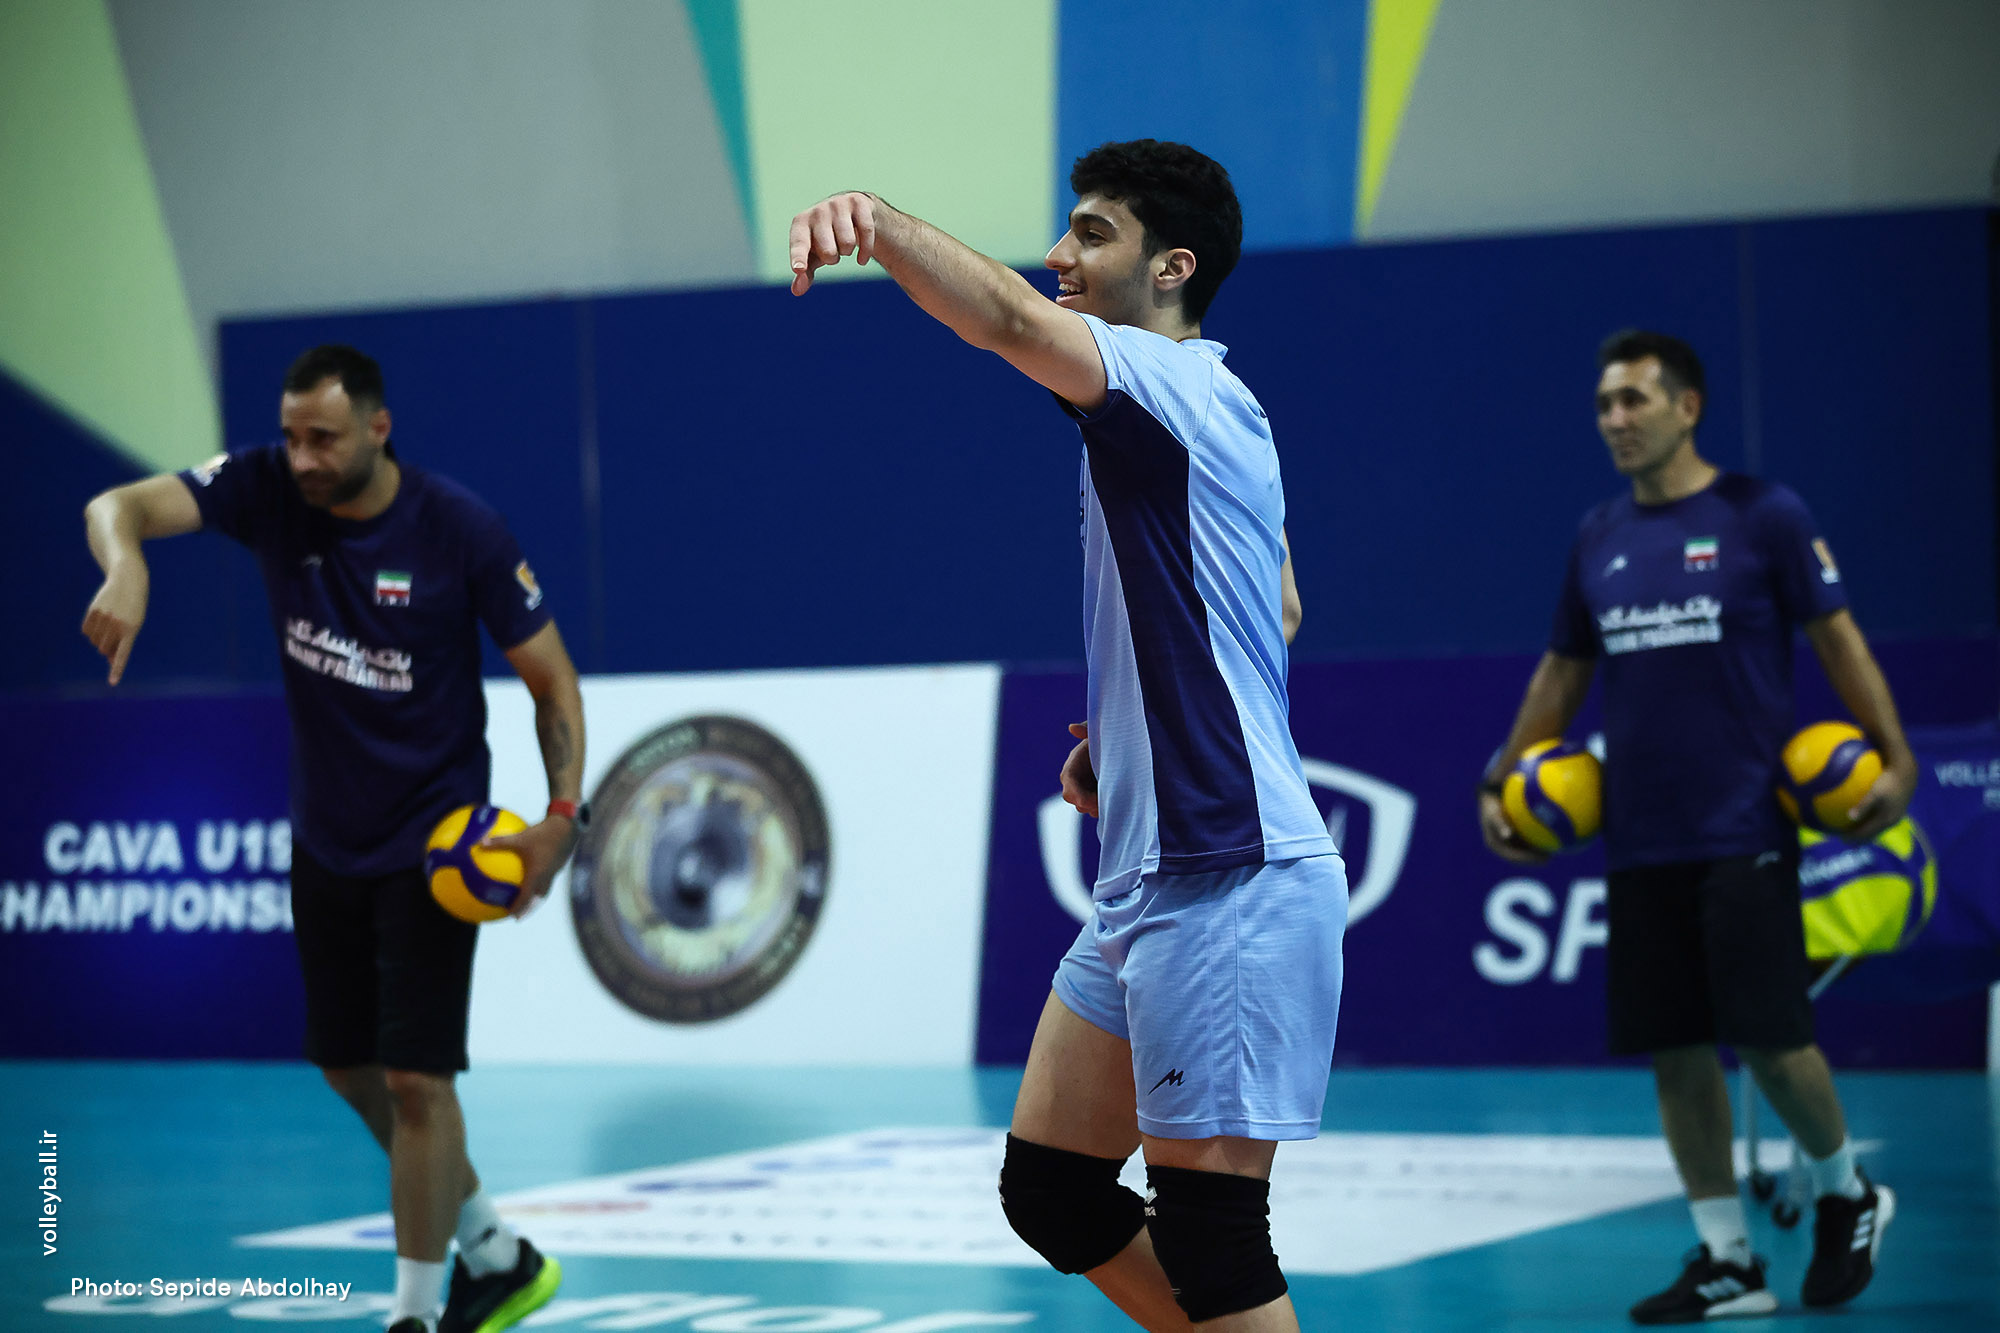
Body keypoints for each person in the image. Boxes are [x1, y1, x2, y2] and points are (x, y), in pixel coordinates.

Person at [789, 140, 1344, 1332]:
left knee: (1213, 1239)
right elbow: (1280, 604)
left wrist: (875, 221)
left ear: (1169, 268)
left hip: (1227, 871)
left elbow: (999, 317)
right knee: (1053, 1189)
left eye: (1092, 232)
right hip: (1152, 867)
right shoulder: (1197, 411)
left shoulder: (1166, 379)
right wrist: (1137, 739)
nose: (1058, 252)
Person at [80, 345, 581, 1333]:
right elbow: (116, 505)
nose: (303, 457)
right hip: (327, 837)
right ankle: (495, 1252)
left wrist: (561, 818)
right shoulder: (269, 488)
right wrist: (126, 563)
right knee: (349, 1069)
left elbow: (551, 682)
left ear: (378, 430)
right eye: (292, 436)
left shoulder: (459, 529)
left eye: (324, 439)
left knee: (417, 1079)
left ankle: (412, 1316)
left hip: (436, 843)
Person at [1477, 330, 1912, 1323]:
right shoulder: (1597, 535)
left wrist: (1896, 759)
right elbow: (1561, 674)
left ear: (1687, 407)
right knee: (1674, 1051)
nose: (1614, 419)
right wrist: (1498, 782)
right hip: (1639, 835)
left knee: (1769, 1039)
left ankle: (1845, 1190)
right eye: (1603, 404)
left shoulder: (1763, 515)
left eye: (1633, 399)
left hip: (1742, 827)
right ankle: (1727, 1258)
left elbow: (1838, 640)